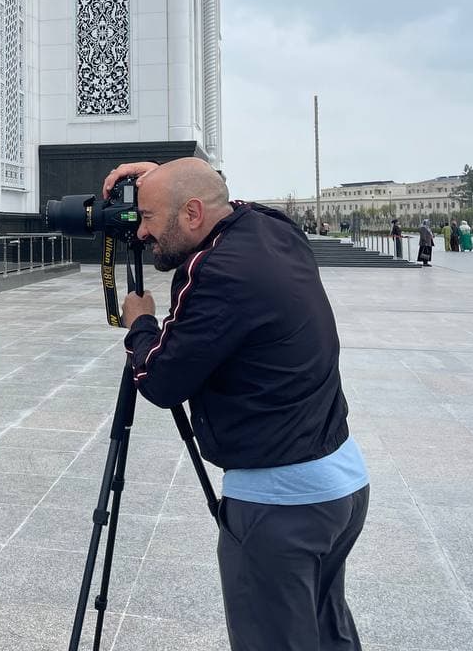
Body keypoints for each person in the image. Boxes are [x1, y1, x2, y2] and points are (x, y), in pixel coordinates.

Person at [103, 158, 368, 651]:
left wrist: (140, 324)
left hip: (281, 506)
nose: (139, 233)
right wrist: (164, 178)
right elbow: (226, 200)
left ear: (192, 214)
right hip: (342, 487)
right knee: (326, 635)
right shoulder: (274, 230)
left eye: (148, 217)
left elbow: (160, 381)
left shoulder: (217, 274)